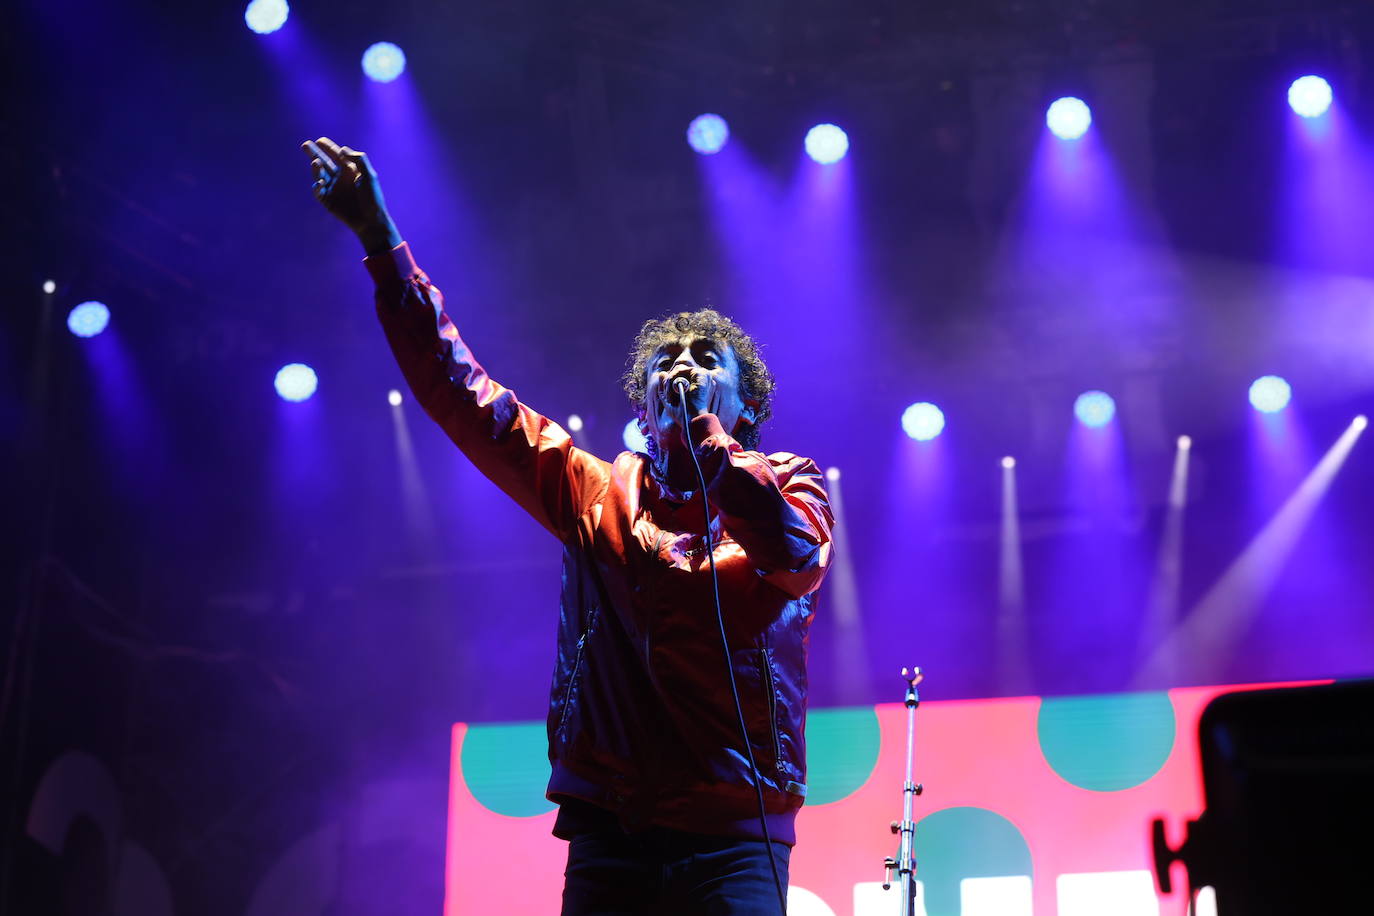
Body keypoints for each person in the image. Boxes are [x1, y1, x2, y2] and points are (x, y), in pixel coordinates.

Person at [303, 137, 834, 915]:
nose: (680, 365)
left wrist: (713, 452)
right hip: (611, 831)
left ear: (745, 404)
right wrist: (382, 244)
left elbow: (793, 558)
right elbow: (463, 397)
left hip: (735, 832)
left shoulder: (786, 481)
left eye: (702, 357)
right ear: (642, 408)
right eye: (664, 360)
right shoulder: (594, 493)